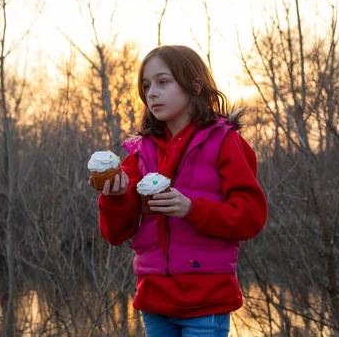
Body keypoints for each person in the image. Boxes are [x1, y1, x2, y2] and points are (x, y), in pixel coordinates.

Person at [89, 45, 268, 337]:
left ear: (194, 85)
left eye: (163, 81)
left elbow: (251, 217)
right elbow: (116, 234)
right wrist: (113, 198)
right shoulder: (139, 152)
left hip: (206, 300)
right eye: (146, 86)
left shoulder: (225, 142)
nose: (152, 93)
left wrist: (191, 209)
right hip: (154, 299)